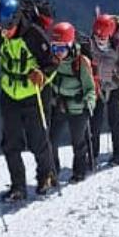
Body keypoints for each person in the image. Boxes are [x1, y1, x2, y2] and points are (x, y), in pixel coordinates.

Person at [0, 0, 58, 201]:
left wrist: (42, 74)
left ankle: (46, 177)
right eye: (0, 26)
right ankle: (18, 187)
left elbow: (51, 62)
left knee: (38, 139)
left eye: (7, 27)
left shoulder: (34, 35)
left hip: (34, 94)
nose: (3, 31)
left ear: (17, 21)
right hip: (10, 94)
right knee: (10, 143)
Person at [47, 21, 97, 182]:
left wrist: (89, 103)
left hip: (78, 107)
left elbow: (90, 88)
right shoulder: (53, 61)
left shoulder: (80, 62)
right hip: (59, 105)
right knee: (51, 141)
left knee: (78, 142)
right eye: (54, 48)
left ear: (69, 45)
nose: (58, 52)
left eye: (61, 48)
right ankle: (53, 171)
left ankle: (79, 172)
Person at [88, 12, 119, 165]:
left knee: (117, 121)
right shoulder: (89, 45)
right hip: (97, 87)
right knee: (94, 122)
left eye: (103, 37)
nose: (100, 40)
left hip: (116, 88)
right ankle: (92, 155)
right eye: (98, 36)